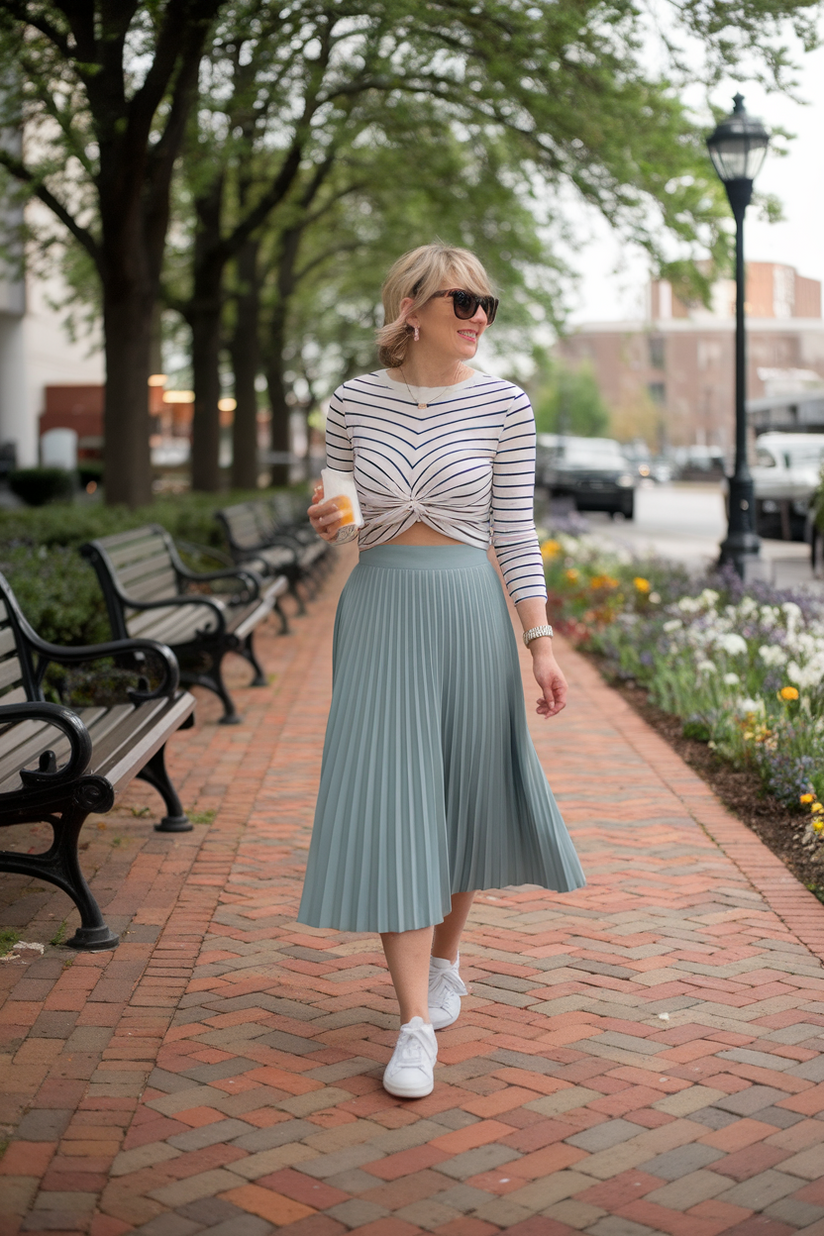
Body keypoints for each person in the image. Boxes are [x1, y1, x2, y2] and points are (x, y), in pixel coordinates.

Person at [300, 242, 585, 1099]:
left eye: (487, 305)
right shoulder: (352, 401)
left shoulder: (505, 405)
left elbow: (513, 531)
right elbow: (342, 507)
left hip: (469, 610)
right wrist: (328, 518)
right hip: (382, 606)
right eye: (462, 302)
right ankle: (413, 1023)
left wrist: (540, 641)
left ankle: (449, 959)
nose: (477, 319)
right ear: (411, 307)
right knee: (395, 799)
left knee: (460, 794)